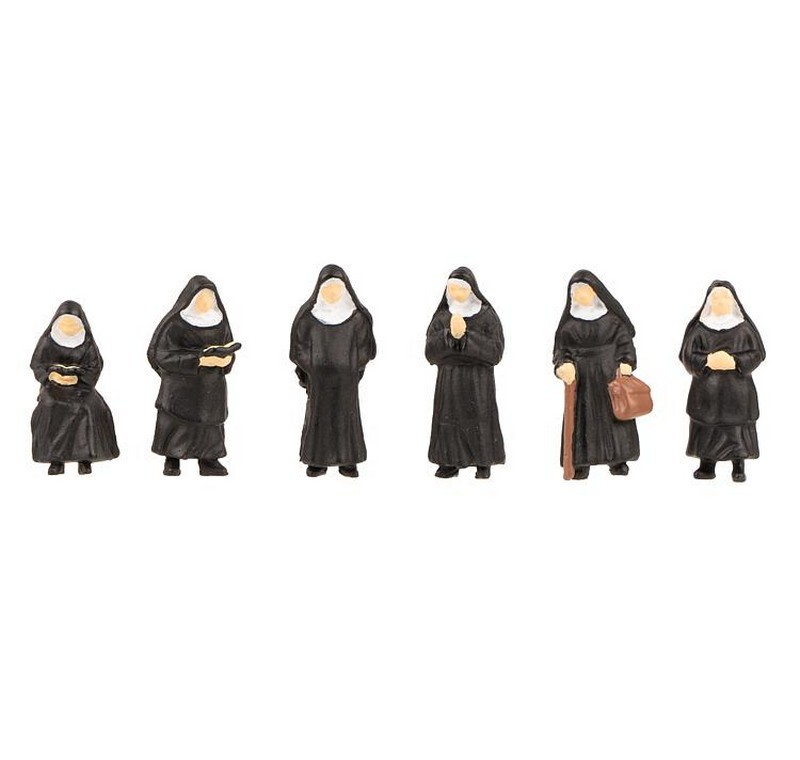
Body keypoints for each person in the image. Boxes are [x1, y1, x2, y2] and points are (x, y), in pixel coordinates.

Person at [148, 275, 239, 476]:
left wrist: (227, 360)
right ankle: (172, 458)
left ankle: (209, 459)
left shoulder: (219, 321)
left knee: (209, 425)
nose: (206, 302)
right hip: (180, 389)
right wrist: (199, 360)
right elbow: (161, 355)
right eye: (201, 297)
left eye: (210, 297)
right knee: (177, 423)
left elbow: (228, 347)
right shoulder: (175, 324)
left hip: (211, 387)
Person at [290, 264, 376, 477]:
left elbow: (366, 348)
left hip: (346, 380)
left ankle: (348, 459)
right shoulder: (308, 318)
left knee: (346, 417)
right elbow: (298, 348)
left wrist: (350, 364)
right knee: (319, 417)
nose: (332, 293)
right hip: (319, 381)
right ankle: (317, 459)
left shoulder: (357, 319)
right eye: (328, 288)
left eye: (337, 288)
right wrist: (313, 366)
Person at [553, 270, 640, 478]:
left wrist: (626, 362)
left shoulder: (613, 322)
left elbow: (625, 344)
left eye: (583, 290)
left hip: (609, 376)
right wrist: (564, 365)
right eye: (575, 292)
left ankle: (618, 459)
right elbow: (561, 352)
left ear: (595, 292)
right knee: (583, 420)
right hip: (582, 381)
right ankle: (581, 461)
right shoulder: (568, 327)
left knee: (614, 416)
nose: (579, 295)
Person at [679, 281, 765, 482]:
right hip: (706, 393)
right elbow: (686, 356)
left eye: (725, 297)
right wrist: (707, 360)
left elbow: (757, 354)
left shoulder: (743, 328)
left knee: (737, 429)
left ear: (733, 302)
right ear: (708, 302)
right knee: (707, 428)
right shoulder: (699, 329)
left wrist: (736, 361)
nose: (720, 301)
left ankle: (738, 465)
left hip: (738, 392)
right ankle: (707, 465)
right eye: (716, 298)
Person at [425, 267, 505, 478]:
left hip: (478, 381)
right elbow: (430, 353)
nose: (455, 293)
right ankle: (449, 461)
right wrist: (449, 336)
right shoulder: (442, 317)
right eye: (451, 289)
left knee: (479, 418)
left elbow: (496, 352)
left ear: (471, 290)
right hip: (450, 380)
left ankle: (483, 461)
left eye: (460, 289)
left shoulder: (487, 316)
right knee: (449, 420)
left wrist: (467, 338)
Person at [30, 300, 119, 474]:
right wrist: (50, 376)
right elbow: (37, 364)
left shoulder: (86, 342)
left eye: (73, 325)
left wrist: (77, 378)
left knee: (90, 407)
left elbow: (95, 367)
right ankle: (55, 459)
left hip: (81, 387)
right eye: (65, 324)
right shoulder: (48, 340)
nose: (69, 328)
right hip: (53, 387)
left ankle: (85, 457)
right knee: (49, 405)